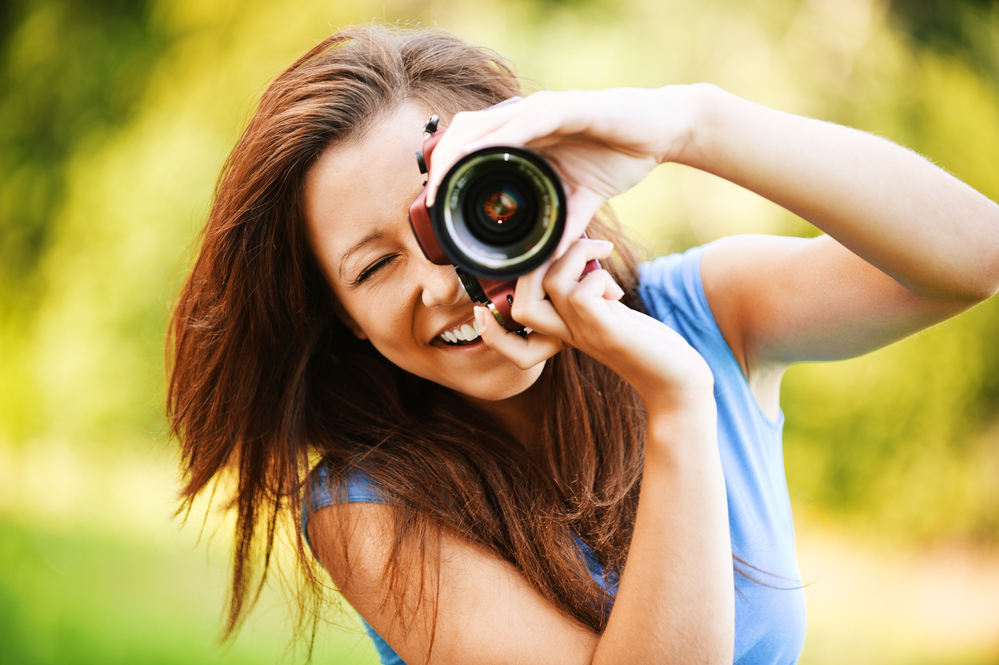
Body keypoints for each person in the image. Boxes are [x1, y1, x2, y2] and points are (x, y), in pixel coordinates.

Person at [166, 24, 999, 665]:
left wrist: (691, 123)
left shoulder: (702, 310)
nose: (441, 279)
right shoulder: (367, 508)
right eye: (376, 265)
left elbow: (970, 256)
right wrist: (675, 402)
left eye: (467, 212)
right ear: (343, 315)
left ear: (535, 180)